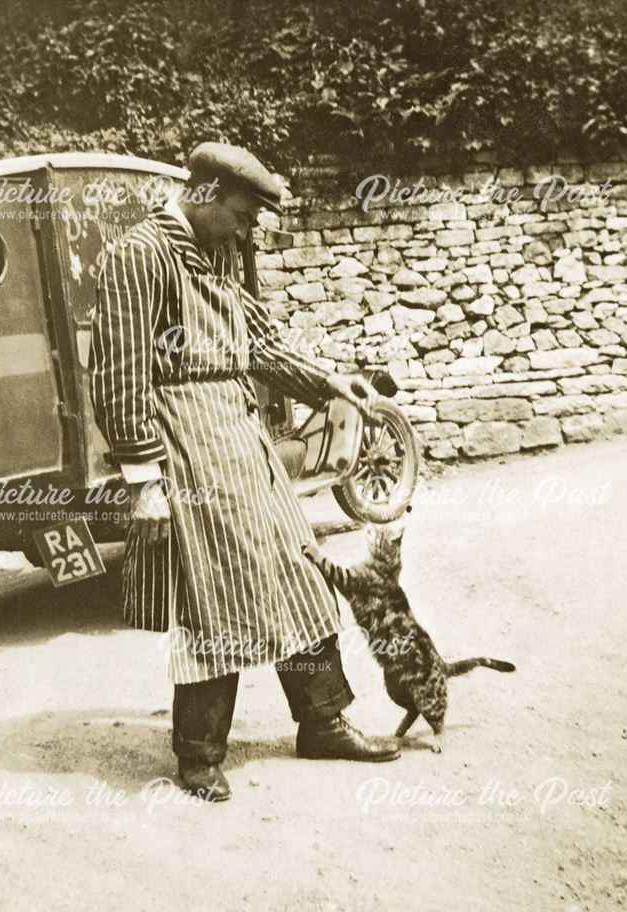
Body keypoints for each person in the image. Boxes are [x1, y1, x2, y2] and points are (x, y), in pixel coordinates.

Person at [90, 141, 400, 802]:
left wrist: (332, 384)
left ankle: (323, 721)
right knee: (219, 593)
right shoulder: (138, 256)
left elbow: (258, 344)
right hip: (189, 441)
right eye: (242, 213)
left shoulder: (220, 251)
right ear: (203, 193)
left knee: (299, 566)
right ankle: (198, 754)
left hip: (243, 435)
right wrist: (144, 480)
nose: (249, 228)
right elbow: (117, 375)